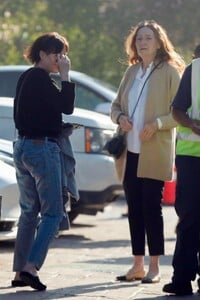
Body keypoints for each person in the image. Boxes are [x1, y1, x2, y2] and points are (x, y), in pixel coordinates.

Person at [111, 20, 185, 284]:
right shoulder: (131, 72)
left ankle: (155, 266)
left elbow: (180, 113)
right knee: (134, 210)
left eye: (148, 38)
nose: (142, 43)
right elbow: (115, 106)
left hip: (155, 152)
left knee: (151, 208)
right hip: (130, 152)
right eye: (139, 39)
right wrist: (120, 118)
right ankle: (137, 265)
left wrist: (157, 124)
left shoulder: (170, 72)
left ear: (159, 42)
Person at [11, 32, 75, 291]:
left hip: (23, 147)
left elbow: (40, 112)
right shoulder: (41, 78)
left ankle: (18, 272)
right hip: (41, 149)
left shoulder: (26, 76)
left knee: (28, 213)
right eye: (57, 54)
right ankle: (30, 267)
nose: (61, 59)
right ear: (42, 54)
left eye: (63, 54)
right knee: (53, 212)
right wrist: (66, 77)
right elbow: (66, 106)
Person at [162, 58, 200, 295]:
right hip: (191, 158)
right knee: (189, 218)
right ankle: (182, 278)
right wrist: (191, 123)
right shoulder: (194, 70)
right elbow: (176, 110)